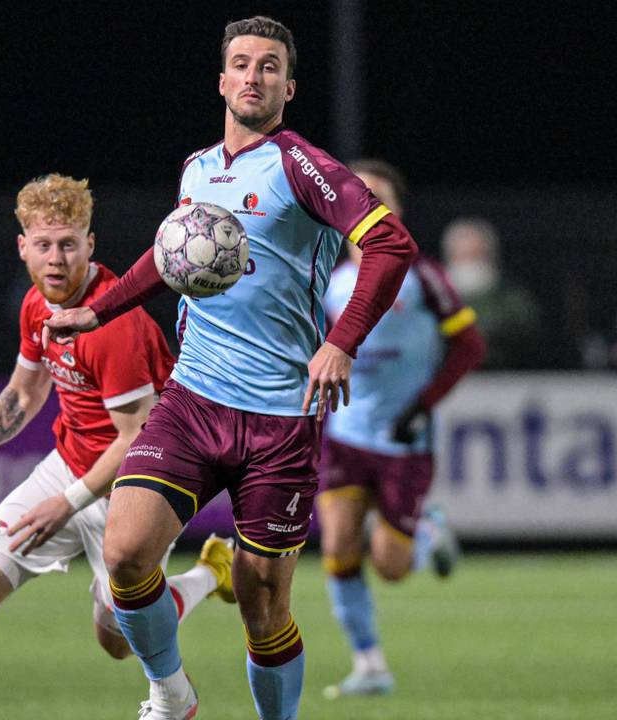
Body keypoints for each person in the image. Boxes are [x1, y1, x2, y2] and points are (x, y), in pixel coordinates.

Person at [44, 18, 418, 720]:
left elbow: (390, 243)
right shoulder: (196, 169)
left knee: (263, 604)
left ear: (288, 86)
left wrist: (341, 340)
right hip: (194, 399)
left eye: (269, 66)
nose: (253, 76)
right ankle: (172, 693)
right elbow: (171, 255)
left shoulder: (300, 165)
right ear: (221, 81)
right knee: (125, 555)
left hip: (281, 419)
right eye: (241, 64)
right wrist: (101, 310)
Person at [0, 174, 235, 720]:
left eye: (68, 244)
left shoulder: (115, 324)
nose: (56, 258)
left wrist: (65, 504)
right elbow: (24, 392)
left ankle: (210, 576)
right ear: (23, 247)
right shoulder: (37, 306)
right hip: (72, 466)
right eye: (43, 245)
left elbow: (134, 438)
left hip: (141, 481)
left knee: (118, 638)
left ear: (90, 244)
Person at [317, 159, 485, 699]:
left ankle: (428, 528)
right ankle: (370, 665)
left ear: (398, 212)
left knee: (390, 566)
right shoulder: (329, 282)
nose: (365, 207)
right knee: (339, 546)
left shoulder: (425, 276)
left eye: (378, 198)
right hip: (344, 433)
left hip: (404, 440)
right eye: (356, 198)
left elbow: (469, 345)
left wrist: (424, 403)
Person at [441, 217, 542, 369]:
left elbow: (526, 328)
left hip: (501, 377)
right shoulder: (433, 295)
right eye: (462, 255)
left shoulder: (511, 295)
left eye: (474, 254)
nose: (469, 264)